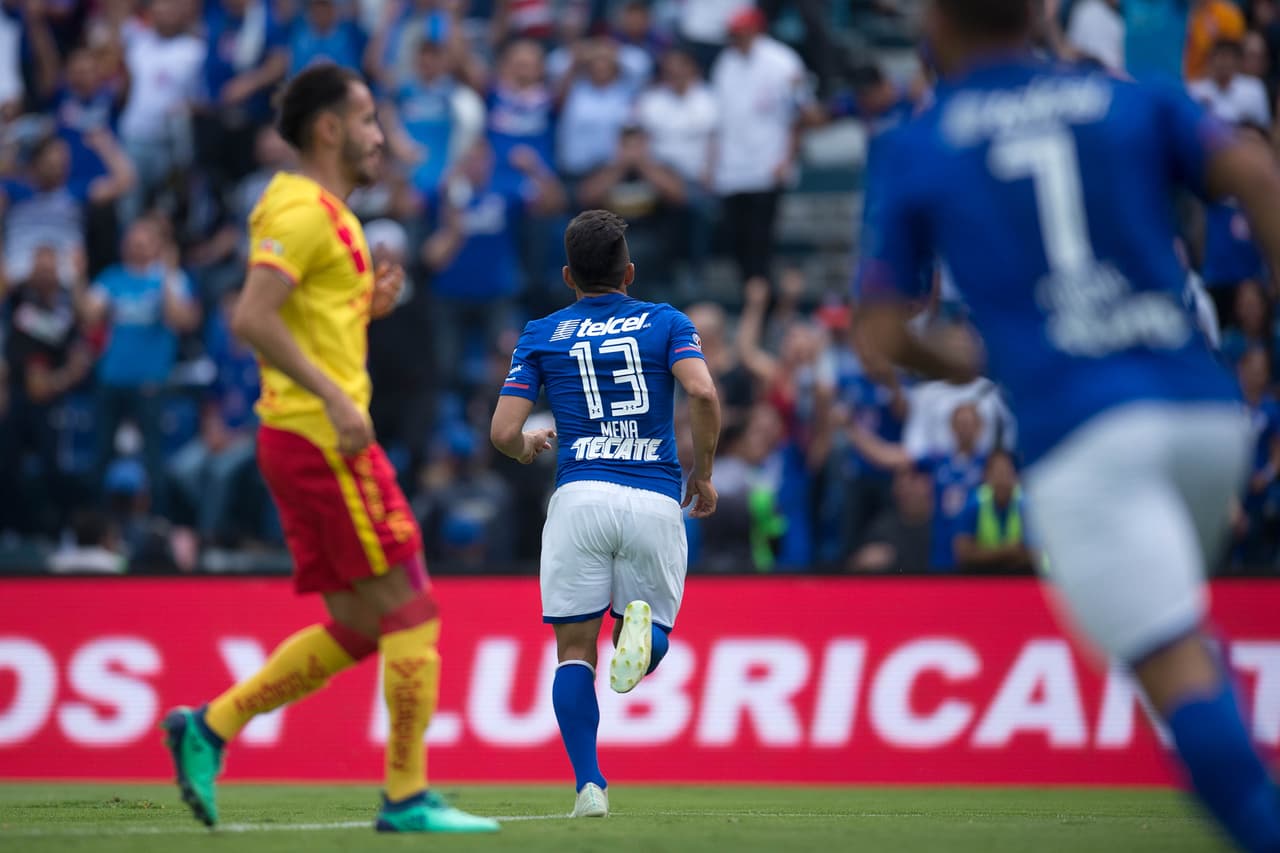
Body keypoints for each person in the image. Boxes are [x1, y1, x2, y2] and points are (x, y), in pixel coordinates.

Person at [854, 0, 1280, 847]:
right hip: (1204, 410)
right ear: (1043, 16)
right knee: (1182, 625)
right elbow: (1259, 174)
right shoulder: (1135, 98)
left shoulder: (917, 144)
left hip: (1085, 434)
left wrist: (979, 357)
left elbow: (877, 336)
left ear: (934, 26)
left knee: (1171, 664)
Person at [159, 63, 498, 835]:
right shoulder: (305, 210)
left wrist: (362, 307)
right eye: (371, 120)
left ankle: (207, 726)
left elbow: (303, 322)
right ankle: (407, 796)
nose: (383, 136)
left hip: (307, 437)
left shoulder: (333, 214)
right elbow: (252, 316)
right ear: (330, 129)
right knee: (414, 609)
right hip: (324, 439)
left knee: (362, 624)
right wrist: (341, 397)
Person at [490, 209, 720, 819]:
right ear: (630, 272)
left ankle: (589, 785)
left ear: (568, 275)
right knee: (648, 637)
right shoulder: (667, 322)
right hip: (652, 495)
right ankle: (644, 640)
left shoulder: (542, 332)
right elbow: (701, 391)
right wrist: (704, 472)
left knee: (573, 653)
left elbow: (502, 431)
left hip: (579, 497)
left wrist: (527, 445)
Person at [951, 449, 1035, 573]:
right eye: (996, 473)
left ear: (1016, 476)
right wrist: (1007, 552)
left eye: (1006, 473)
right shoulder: (973, 505)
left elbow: (1038, 553)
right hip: (983, 578)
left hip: (1021, 578)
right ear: (986, 477)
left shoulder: (1027, 506)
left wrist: (985, 554)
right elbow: (963, 553)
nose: (1001, 480)